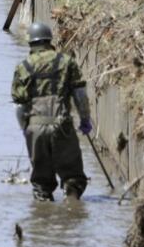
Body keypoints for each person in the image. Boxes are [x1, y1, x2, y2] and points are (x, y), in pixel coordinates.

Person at [11, 22, 91, 202]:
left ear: (30, 43)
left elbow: (19, 105)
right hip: (62, 125)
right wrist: (85, 120)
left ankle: (44, 216)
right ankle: (72, 209)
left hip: (36, 127)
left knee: (41, 185)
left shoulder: (23, 67)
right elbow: (80, 94)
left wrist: (25, 129)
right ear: (49, 40)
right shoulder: (66, 61)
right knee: (73, 179)